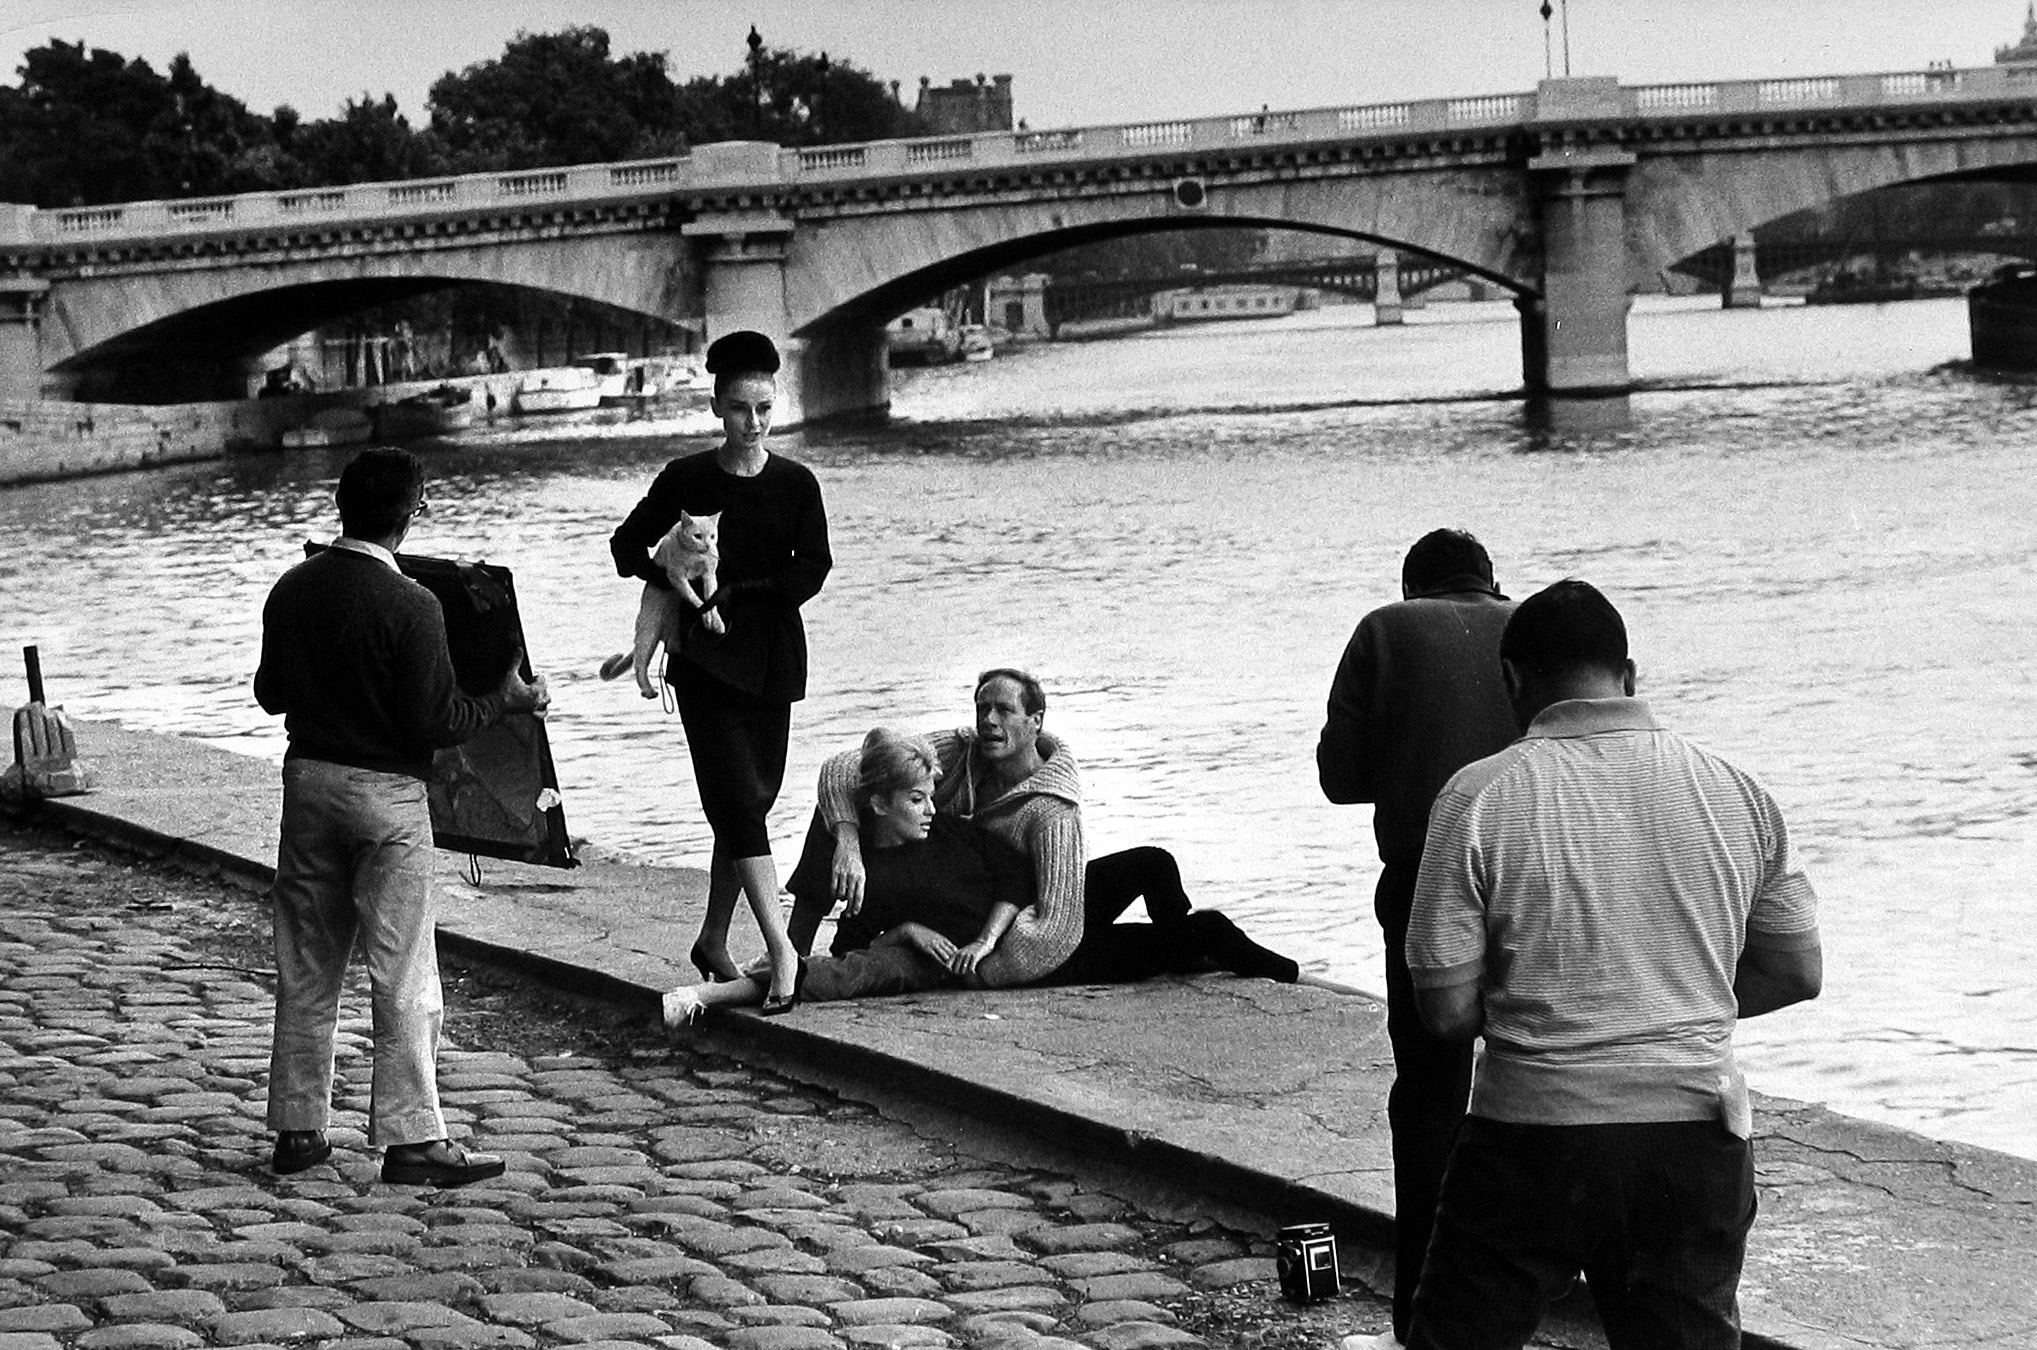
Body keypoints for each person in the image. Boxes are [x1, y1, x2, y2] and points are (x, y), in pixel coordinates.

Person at [1403, 579, 1823, 1350]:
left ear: (1512, 683)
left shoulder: (1476, 796)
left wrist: (1558, 1006)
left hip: (1530, 1137)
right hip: (1692, 1136)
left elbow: (1445, 1011)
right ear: (1628, 675)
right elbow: (1797, 972)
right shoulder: (1734, 790)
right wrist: (1669, 999)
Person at [254, 446, 550, 1187]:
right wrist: (504, 703)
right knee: (403, 967)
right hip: (386, 798)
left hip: (309, 783)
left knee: (307, 960)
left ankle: (297, 1130)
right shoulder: (416, 604)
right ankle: (413, 1139)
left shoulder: (292, 587)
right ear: (413, 515)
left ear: (340, 506)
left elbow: (270, 694)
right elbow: (438, 719)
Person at [1315, 528, 1518, 1350]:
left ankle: (1423, 1310)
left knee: (1430, 1094)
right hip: (1535, 879)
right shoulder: (1532, 624)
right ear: (1488, 582)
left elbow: (1339, 777)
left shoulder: (1382, 630)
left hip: (1425, 880)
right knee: (1536, 1072)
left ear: (1412, 587)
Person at [609, 330, 831, 1013]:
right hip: (704, 664)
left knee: (752, 804)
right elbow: (624, 547)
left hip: (772, 657)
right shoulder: (686, 478)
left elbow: (812, 567)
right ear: (716, 406)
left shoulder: (796, 482)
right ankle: (783, 949)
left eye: (764, 408)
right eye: (739, 408)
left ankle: (711, 938)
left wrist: (744, 593)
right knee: (737, 801)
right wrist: (674, 583)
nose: (753, 423)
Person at [663, 728, 1033, 1024]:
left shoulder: (950, 830)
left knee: (856, 969)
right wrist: (907, 932)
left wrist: (986, 940)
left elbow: (1017, 876)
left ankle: (754, 971)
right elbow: (850, 951)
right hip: (933, 958)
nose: (931, 810)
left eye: (930, 798)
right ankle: (714, 991)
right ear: (879, 804)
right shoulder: (869, 875)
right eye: (916, 800)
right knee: (859, 971)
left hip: (989, 945)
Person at [795, 668, 1085, 990]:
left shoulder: (1054, 811)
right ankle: (790, 950)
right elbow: (847, 767)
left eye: (1003, 710)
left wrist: (984, 963)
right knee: (835, 807)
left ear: (1036, 720)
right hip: (932, 880)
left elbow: (1056, 921)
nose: (988, 719)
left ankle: (790, 967)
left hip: (1012, 913)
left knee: (1143, 871)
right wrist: (847, 843)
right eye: (982, 708)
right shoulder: (961, 750)